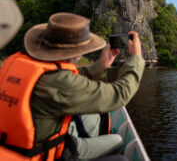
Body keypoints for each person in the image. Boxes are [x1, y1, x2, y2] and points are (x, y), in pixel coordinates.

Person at [0, 12, 145, 161]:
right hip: (45, 153)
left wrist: (100, 66)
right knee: (119, 145)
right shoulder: (60, 83)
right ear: (76, 54)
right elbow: (120, 95)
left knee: (93, 115)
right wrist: (136, 58)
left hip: (13, 145)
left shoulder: (15, 67)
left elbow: (70, 79)